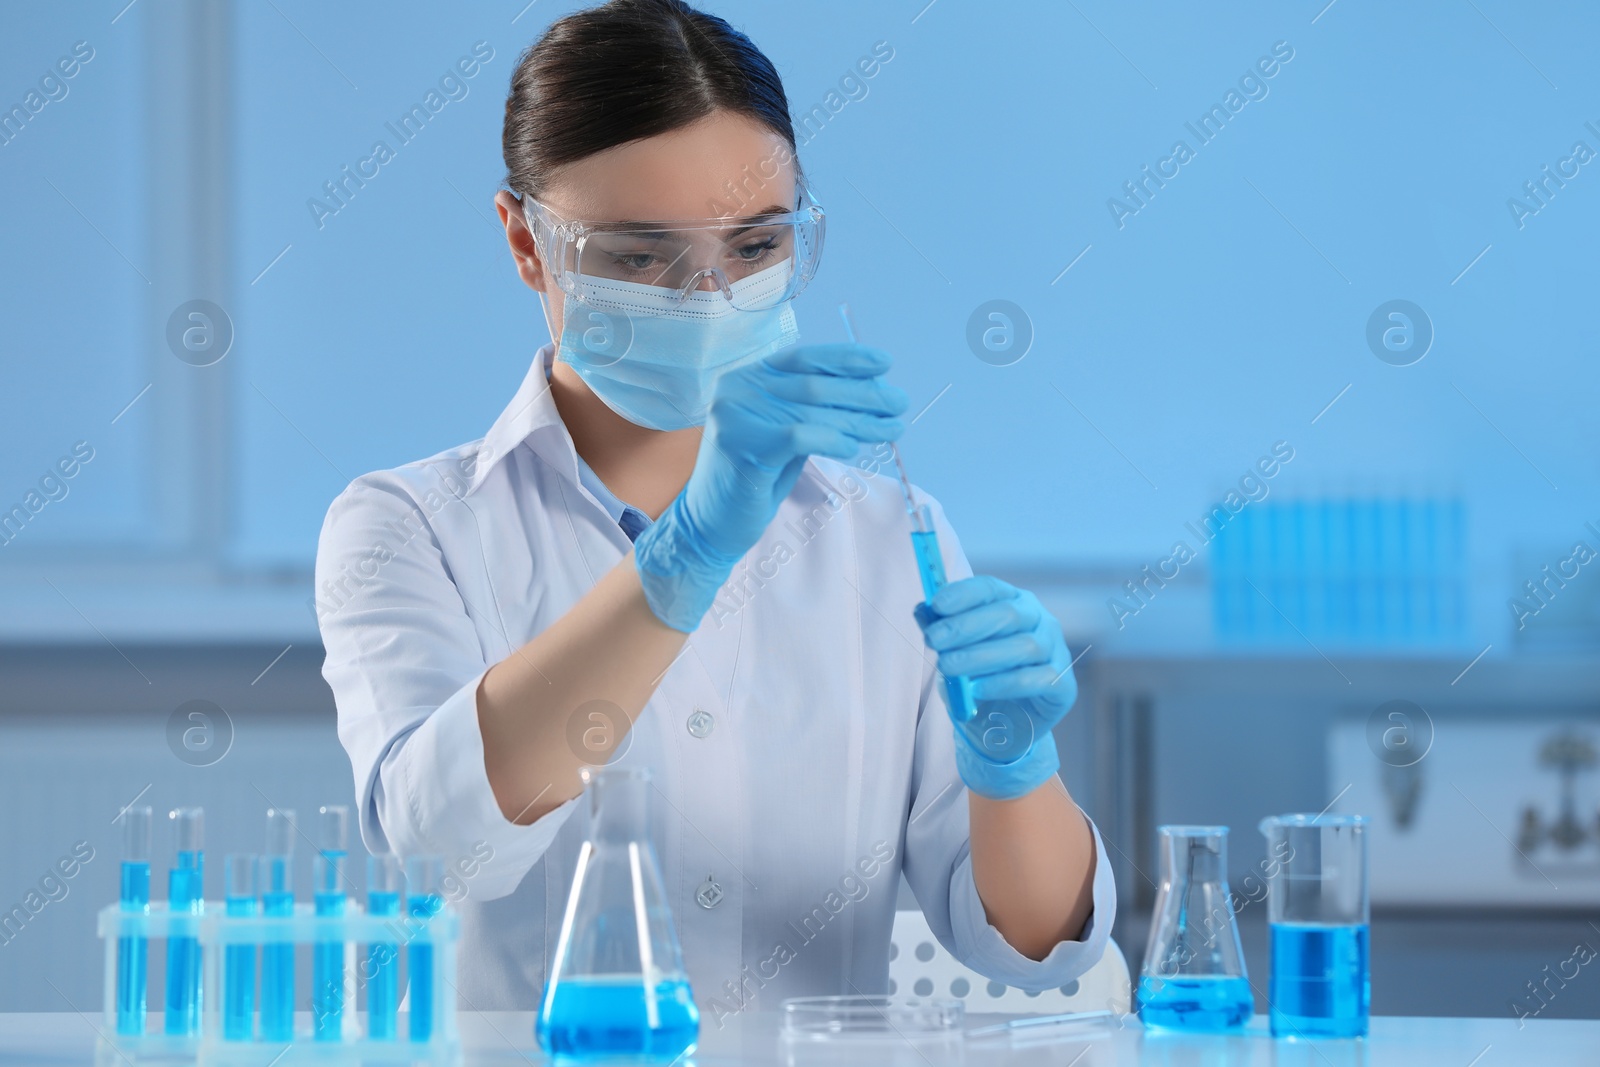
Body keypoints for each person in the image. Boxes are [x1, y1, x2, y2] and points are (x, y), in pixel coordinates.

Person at [315, 0, 1115, 1021]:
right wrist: (687, 554)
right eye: (640, 256)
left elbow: (1033, 953)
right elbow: (440, 844)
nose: (708, 293)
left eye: (751, 245)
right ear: (524, 241)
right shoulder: (410, 525)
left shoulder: (886, 533)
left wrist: (1014, 768)